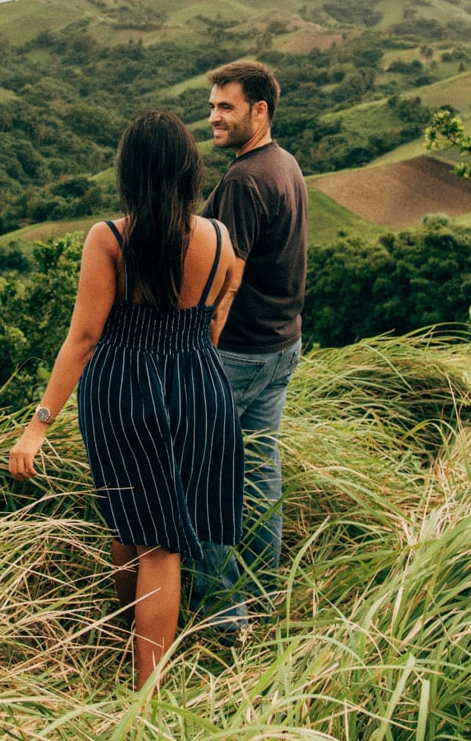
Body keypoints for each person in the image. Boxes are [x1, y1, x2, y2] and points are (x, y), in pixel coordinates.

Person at [8, 109, 241, 689]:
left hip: (123, 392)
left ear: (129, 171)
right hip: (201, 386)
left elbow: (85, 336)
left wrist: (39, 424)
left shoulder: (110, 238)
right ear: (188, 169)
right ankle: (132, 650)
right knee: (146, 527)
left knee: (149, 538)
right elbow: (220, 308)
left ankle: (144, 698)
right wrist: (193, 362)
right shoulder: (218, 237)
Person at [189, 60, 308, 634]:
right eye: (212, 106)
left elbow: (223, 280)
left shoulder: (242, 180)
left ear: (259, 110)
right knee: (260, 472)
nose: (213, 117)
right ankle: (262, 598)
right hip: (281, 345)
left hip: (235, 353)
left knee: (193, 478)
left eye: (226, 107)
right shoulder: (284, 163)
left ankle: (226, 617)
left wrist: (199, 351)